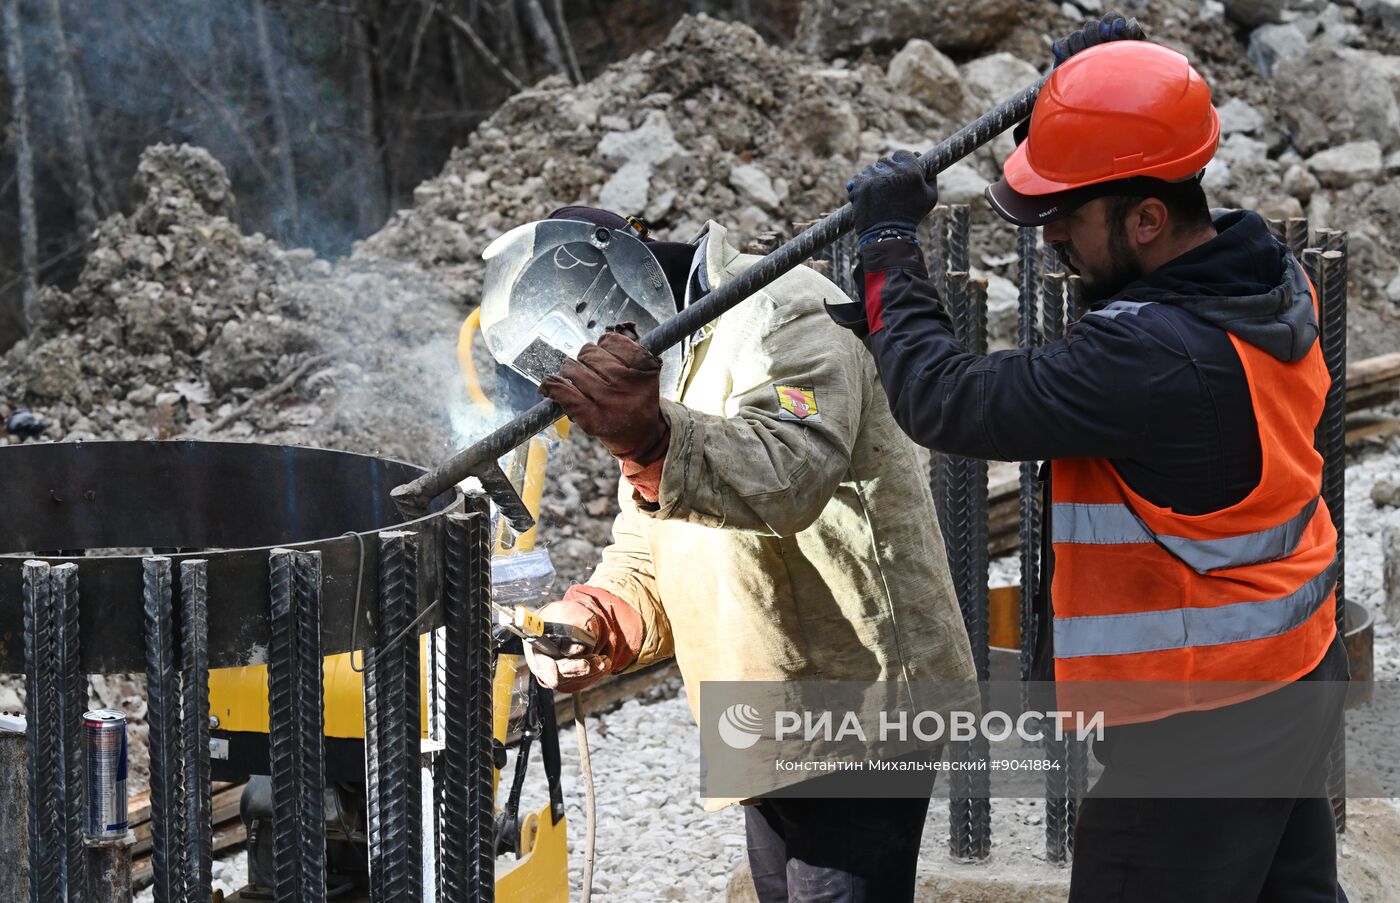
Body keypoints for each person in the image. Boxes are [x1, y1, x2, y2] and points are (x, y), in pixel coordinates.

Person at [826, 25, 1349, 903]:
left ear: (1148, 217)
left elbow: (945, 401)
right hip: (1292, 672)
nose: (1051, 233)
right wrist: (1100, 84)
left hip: (1199, 727)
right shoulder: (1265, 277)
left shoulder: (1150, 358)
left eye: (1069, 213)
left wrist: (889, 256)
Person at [491, 205, 976, 902]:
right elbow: (655, 534)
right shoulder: (666, 358)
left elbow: (792, 470)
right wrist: (598, 615)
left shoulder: (781, 307)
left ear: (600, 299)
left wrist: (651, 440)